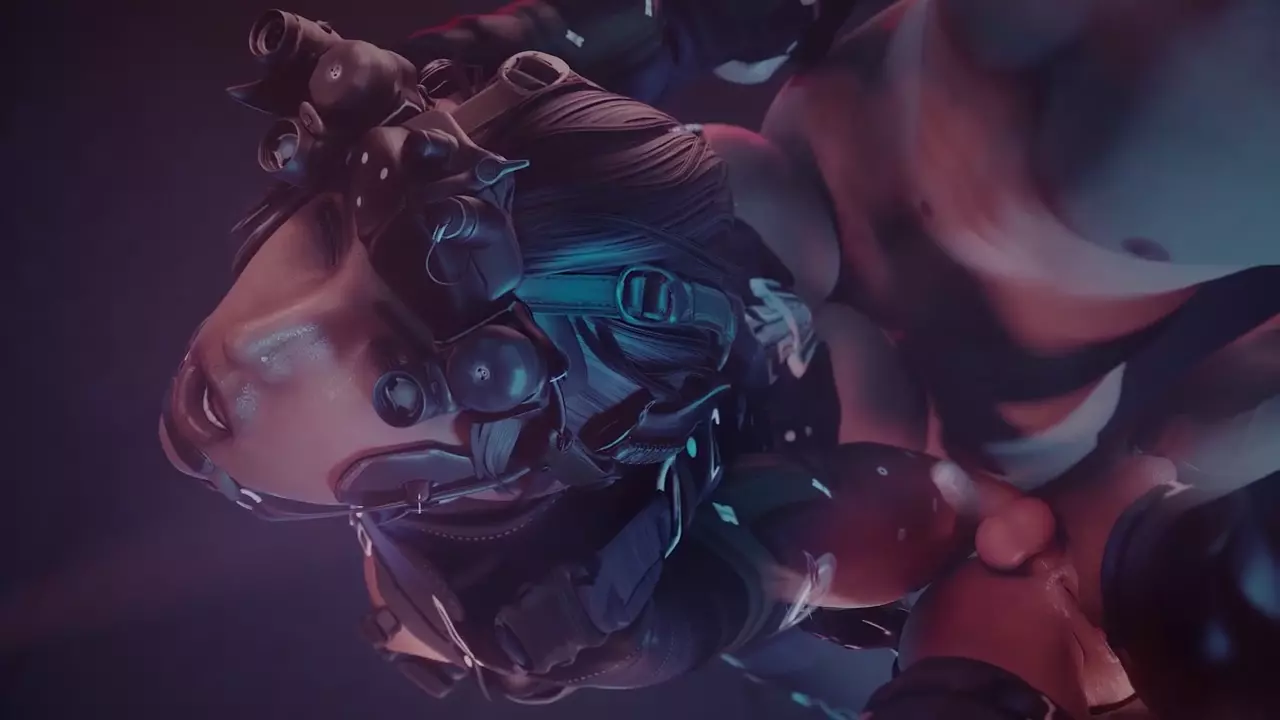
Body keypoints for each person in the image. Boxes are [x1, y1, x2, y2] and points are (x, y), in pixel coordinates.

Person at [158, 11, 988, 704]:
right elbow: (900, 523)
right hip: (747, 466)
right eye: (396, 383)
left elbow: (546, 61)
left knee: (756, 183)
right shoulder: (532, 612)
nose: (253, 342)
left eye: (326, 231)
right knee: (887, 426)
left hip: (712, 325)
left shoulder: (422, 137)